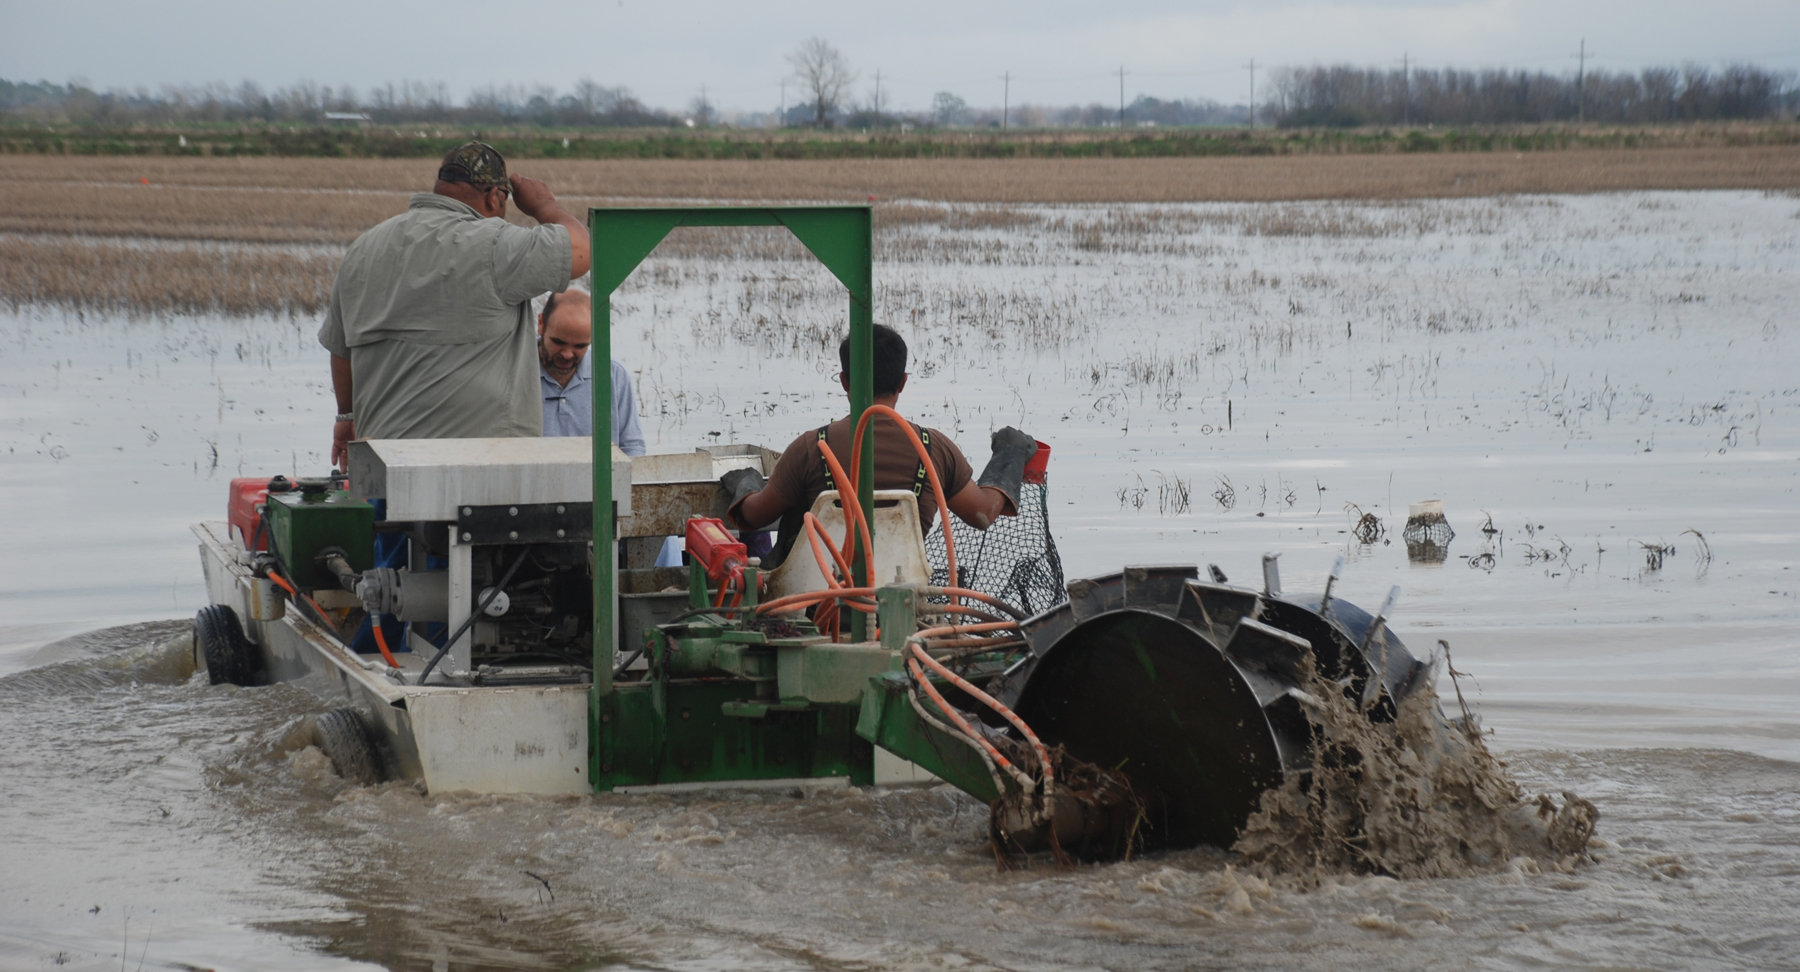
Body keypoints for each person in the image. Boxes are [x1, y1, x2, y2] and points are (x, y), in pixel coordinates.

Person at [321, 141, 592, 468]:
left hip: (385, 466)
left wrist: (346, 415)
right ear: (496, 197)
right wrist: (543, 205)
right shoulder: (495, 244)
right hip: (481, 475)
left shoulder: (363, 250)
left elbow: (341, 348)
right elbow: (580, 250)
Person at [722, 324, 1039, 568]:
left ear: (845, 381)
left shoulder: (810, 448)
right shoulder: (935, 450)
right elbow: (982, 514)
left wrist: (745, 485)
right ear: (902, 381)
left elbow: (754, 517)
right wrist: (1009, 456)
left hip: (822, 606)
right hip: (902, 601)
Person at [537, 288, 647, 455]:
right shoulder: (513, 371)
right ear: (541, 324)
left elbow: (632, 448)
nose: (567, 355)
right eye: (558, 342)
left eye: (579, 346)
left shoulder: (614, 375)